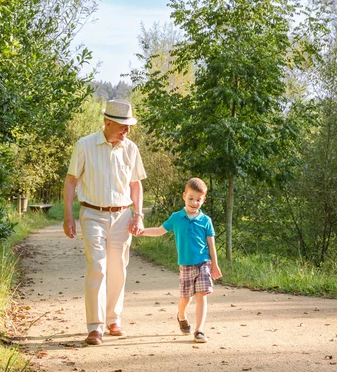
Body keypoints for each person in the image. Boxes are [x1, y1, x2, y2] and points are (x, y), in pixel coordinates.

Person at [63, 99, 147, 346]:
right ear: (107, 122)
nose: (127, 130)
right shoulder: (85, 145)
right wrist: (68, 215)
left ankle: (113, 319)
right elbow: (70, 181)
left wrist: (138, 214)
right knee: (97, 267)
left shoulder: (131, 149)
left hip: (122, 216)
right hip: (92, 214)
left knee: (118, 269)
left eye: (129, 125)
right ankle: (95, 326)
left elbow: (135, 184)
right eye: (123, 125)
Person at [138, 177, 222, 343]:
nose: (194, 202)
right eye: (191, 198)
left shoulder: (206, 221)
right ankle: (181, 316)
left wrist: (215, 266)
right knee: (185, 299)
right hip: (186, 265)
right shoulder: (176, 217)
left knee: (202, 296)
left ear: (203, 200)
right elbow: (159, 231)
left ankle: (199, 330)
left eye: (198, 199)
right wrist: (142, 231)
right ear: (184, 196)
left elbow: (211, 245)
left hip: (204, 263)